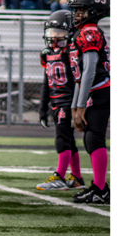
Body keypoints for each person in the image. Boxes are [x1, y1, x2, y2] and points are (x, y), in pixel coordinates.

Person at [67, 0, 112, 204]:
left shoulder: (90, 32)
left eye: (81, 10)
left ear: (93, 10)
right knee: (90, 138)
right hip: (95, 89)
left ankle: (101, 189)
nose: (76, 14)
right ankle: (100, 187)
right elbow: (79, 76)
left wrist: (81, 104)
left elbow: (90, 70)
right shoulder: (83, 32)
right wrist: (75, 107)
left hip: (101, 89)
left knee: (94, 137)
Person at [36, 10, 85, 192]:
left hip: (67, 101)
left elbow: (77, 80)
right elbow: (46, 82)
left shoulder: (71, 53)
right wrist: (42, 108)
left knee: (62, 139)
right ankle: (77, 177)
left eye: (59, 32)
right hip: (55, 101)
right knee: (69, 140)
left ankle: (60, 176)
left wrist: (77, 104)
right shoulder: (46, 54)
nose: (55, 36)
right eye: (52, 32)